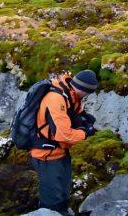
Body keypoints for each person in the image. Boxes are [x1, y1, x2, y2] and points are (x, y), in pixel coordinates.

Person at [29, 69, 98, 215]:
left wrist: (83, 120)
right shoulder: (56, 99)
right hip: (46, 155)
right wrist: (85, 133)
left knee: (63, 196)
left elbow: (74, 114)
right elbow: (63, 135)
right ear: (83, 89)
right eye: (88, 93)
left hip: (60, 152)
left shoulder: (70, 95)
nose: (87, 96)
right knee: (52, 201)